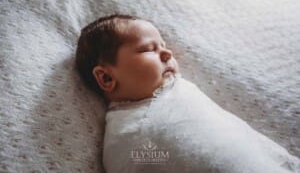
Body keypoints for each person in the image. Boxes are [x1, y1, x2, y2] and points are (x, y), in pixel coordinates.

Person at [75, 14, 300, 173]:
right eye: (147, 49)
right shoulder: (127, 133)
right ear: (106, 78)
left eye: (163, 45)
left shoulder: (181, 87)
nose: (167, 52)